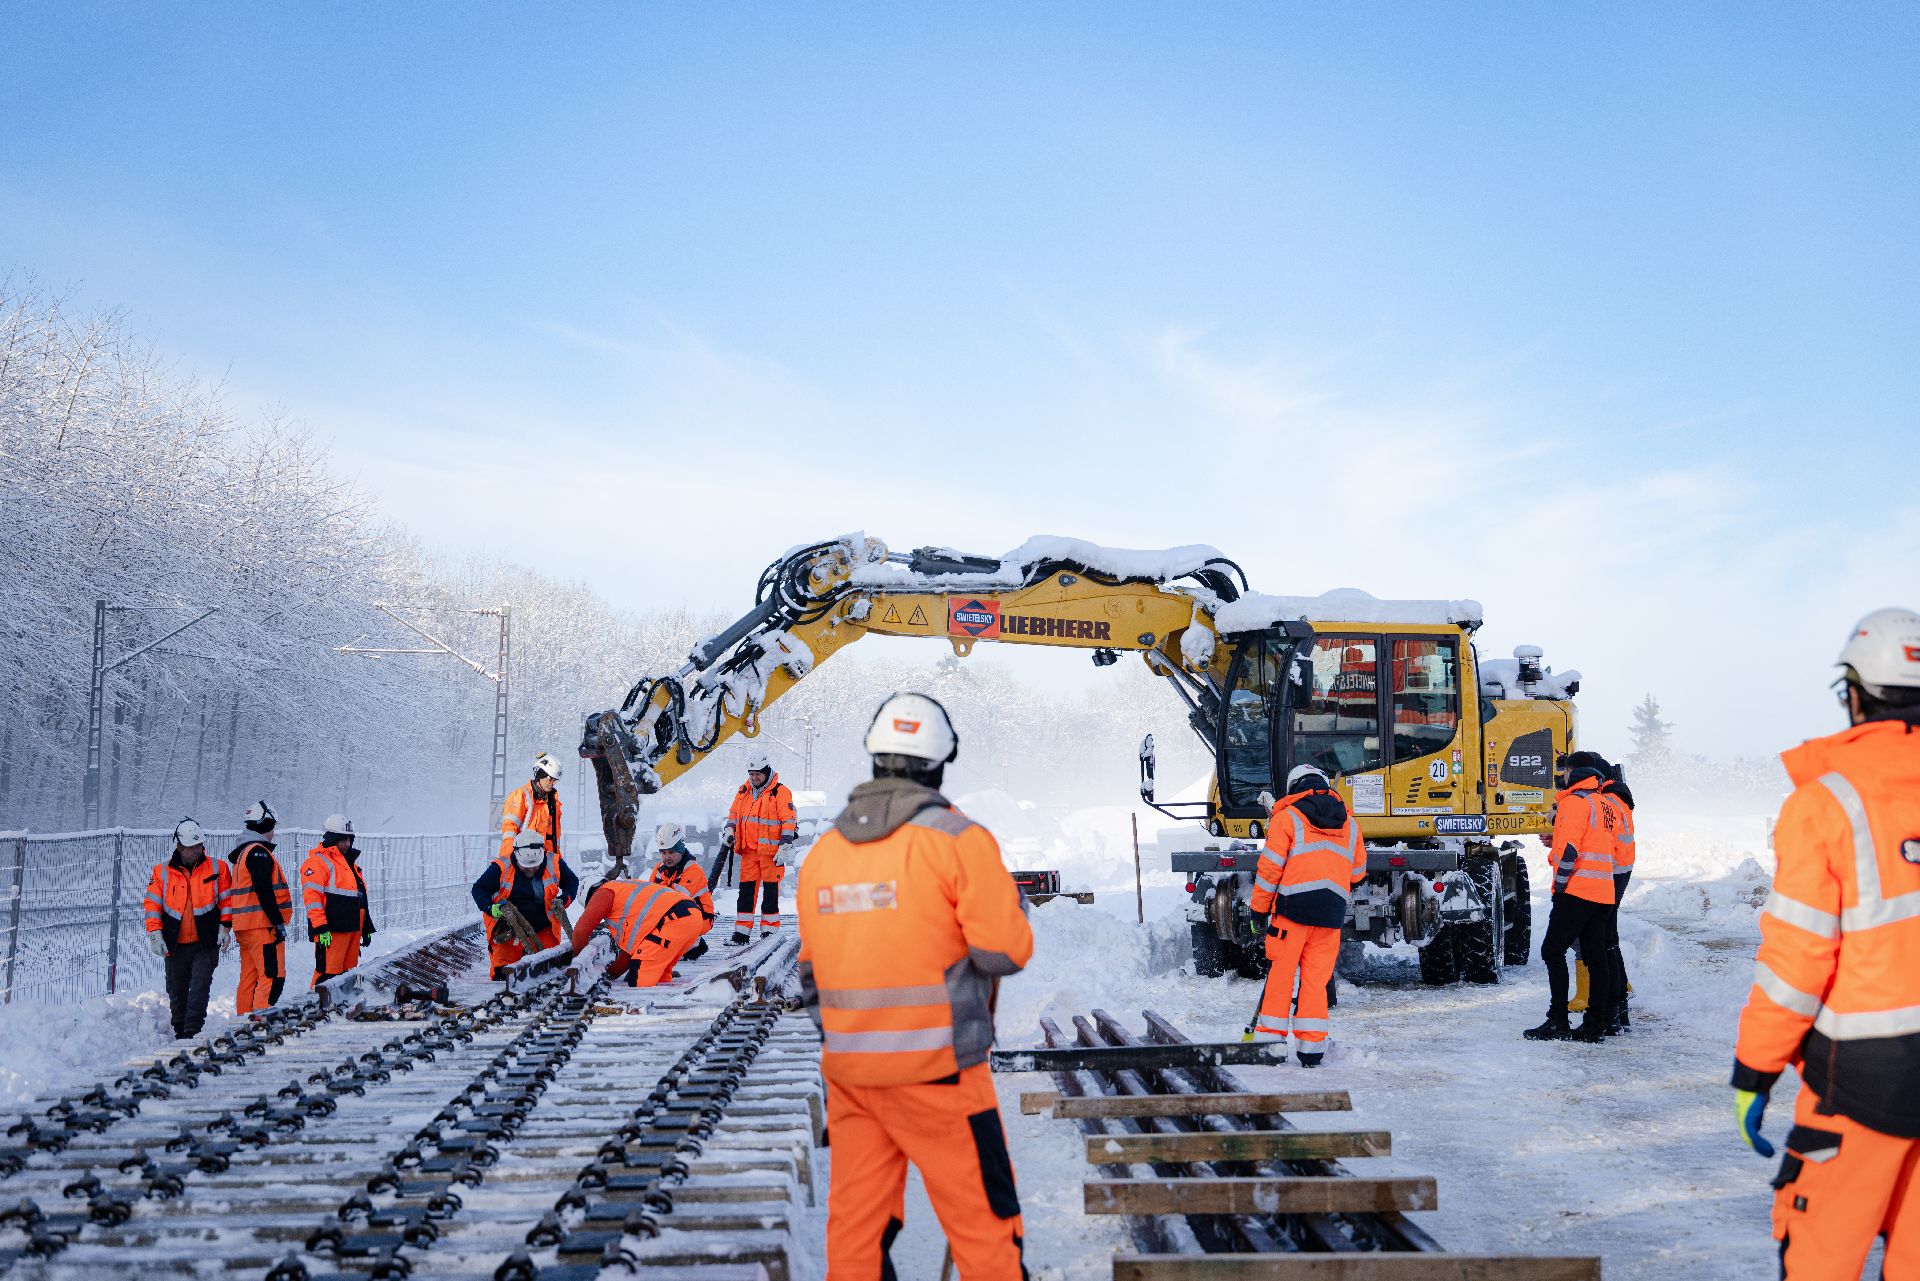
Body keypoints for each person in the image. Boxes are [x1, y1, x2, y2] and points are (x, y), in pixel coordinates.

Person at [798, 692, 1034, 1280]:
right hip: (942, 1077)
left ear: (875, 757)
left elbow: (810, 976)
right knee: (986, 1229)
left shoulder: (823, 855)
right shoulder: (958, 840)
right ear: (940, 763)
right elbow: (1005, 951)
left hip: (852, 1079)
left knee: (857, 1235)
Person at [1732, 606, 1920, 1279]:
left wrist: (1755, 1069)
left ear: (1855, 694)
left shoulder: (1826, 804)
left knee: (1821, 1260)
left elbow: (1798, 963)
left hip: (1863, 1082)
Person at [1245, 764, 1366, 1066]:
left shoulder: (1286, 818)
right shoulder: (1350, 824)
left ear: (1294, 788)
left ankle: (1271, 1046)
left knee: (1281, 976)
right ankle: (1311, 1050)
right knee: (1315, 981)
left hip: (1292, 912)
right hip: (1330, 914)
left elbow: (1269, 871)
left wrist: (1258, 910)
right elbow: (1358, 873)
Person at [1523, 751, 1620, 1042]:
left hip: (1577, 890)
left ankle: (1558, 1020)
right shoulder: (1604, 804)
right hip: (1603, 891)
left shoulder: (1574, 803)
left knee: (1552, 951)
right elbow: (1600, 845)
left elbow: (1569, 851)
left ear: (1570, 774)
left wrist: (1561, 886)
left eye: (1563, 772)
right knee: (1595, 957)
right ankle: (1595, 1025)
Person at [142, 818, 232, 1040]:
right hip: (175, 942)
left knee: (200, 985)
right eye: (191, 847)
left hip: (206, 940)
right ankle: (181, 1030)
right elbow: (152, 905)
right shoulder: (161, 872)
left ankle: (192, 1031)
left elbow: (228, 900)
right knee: (177, 988)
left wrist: (225, 926)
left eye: (199, 846)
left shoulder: (218, 868)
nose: (196, 851)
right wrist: (154, 933)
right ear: (179, 847)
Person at [471, 828, 580, 979]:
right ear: (516, 857)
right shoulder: (501, 867)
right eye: (526, 867)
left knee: (548, 971)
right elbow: (479, 889)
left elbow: (571, 881)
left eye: (535, 866)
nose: (531, 870)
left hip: (544, 928)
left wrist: (566, 898)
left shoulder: (553, 862)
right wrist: (491, 908)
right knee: (504, 974)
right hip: (508, 930)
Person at [569, 876, 708, 985]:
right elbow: (629, 953)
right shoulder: (624, 893)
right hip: (690, 916)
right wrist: (610, 975)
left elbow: (580, 932)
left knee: (638, 979)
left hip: (673, 919)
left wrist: (580, 965)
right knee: (660, 977)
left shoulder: (603, 893)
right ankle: (668, 1002)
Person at [723, 749, 798, 945]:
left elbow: (789, 821)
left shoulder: (780, 792)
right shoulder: (743, 791)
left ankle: (769, 932)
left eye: (757, 774)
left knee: (770, 894)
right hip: (749, 852)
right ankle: (741, 934)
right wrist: (729, 830)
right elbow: (733, 815)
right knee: (745, 894)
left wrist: (785, 845)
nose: (754, 778)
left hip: (771, 854)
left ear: (766, 772)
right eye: (751, 774)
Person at [226, 801, 292, 1014]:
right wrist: (277, 922)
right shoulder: (258, 853)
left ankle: (243, 1021)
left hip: (245, 927)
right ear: (266, 825)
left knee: (249, 977)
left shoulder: (243, 853)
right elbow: (264, 891)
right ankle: (260, 1021)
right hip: (262, 926)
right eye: (273, 828)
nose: (274, 833)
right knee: (271, 976)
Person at [302, 814, 374, 986]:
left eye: (349, 839)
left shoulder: (350, 865)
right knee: (326, 975)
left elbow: (360, 898)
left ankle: (343, 1003)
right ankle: (316, 1003)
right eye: (343, 839)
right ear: (332, 838)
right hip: (331, 932)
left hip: (352, 929)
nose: (347, 844)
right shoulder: (318, 862)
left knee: (348, 975)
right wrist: (320, 928)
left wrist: (366, 926)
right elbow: (312, 898)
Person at [1596, 762, 1637, 1034]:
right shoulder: (1618, 799)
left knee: (1602, 946)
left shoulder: (1607, 803)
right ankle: (1618, 1009)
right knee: (1609, 943)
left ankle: (1610, 1013)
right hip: (1616, 875)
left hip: (1605, 878)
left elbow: (1599, 841)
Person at [500, 752, 564, 863]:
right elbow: (510, 830)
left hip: (548, 862)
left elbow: (554, 838)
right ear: (540, 774)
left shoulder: (554, 803)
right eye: (550, 779)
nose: (552, 783)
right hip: (524, 861)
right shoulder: (521, 796)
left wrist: (558, 862)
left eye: (555, 780)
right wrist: (510, 860)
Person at [649, 822, 716, 924]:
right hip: (672, 915)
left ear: (680, 850)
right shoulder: (659, 868)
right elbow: (649, 896)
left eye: (671, 852)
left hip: (700, 919)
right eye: (664, 853)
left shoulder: (693, 871)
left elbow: (676, 901)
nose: (667, 857)